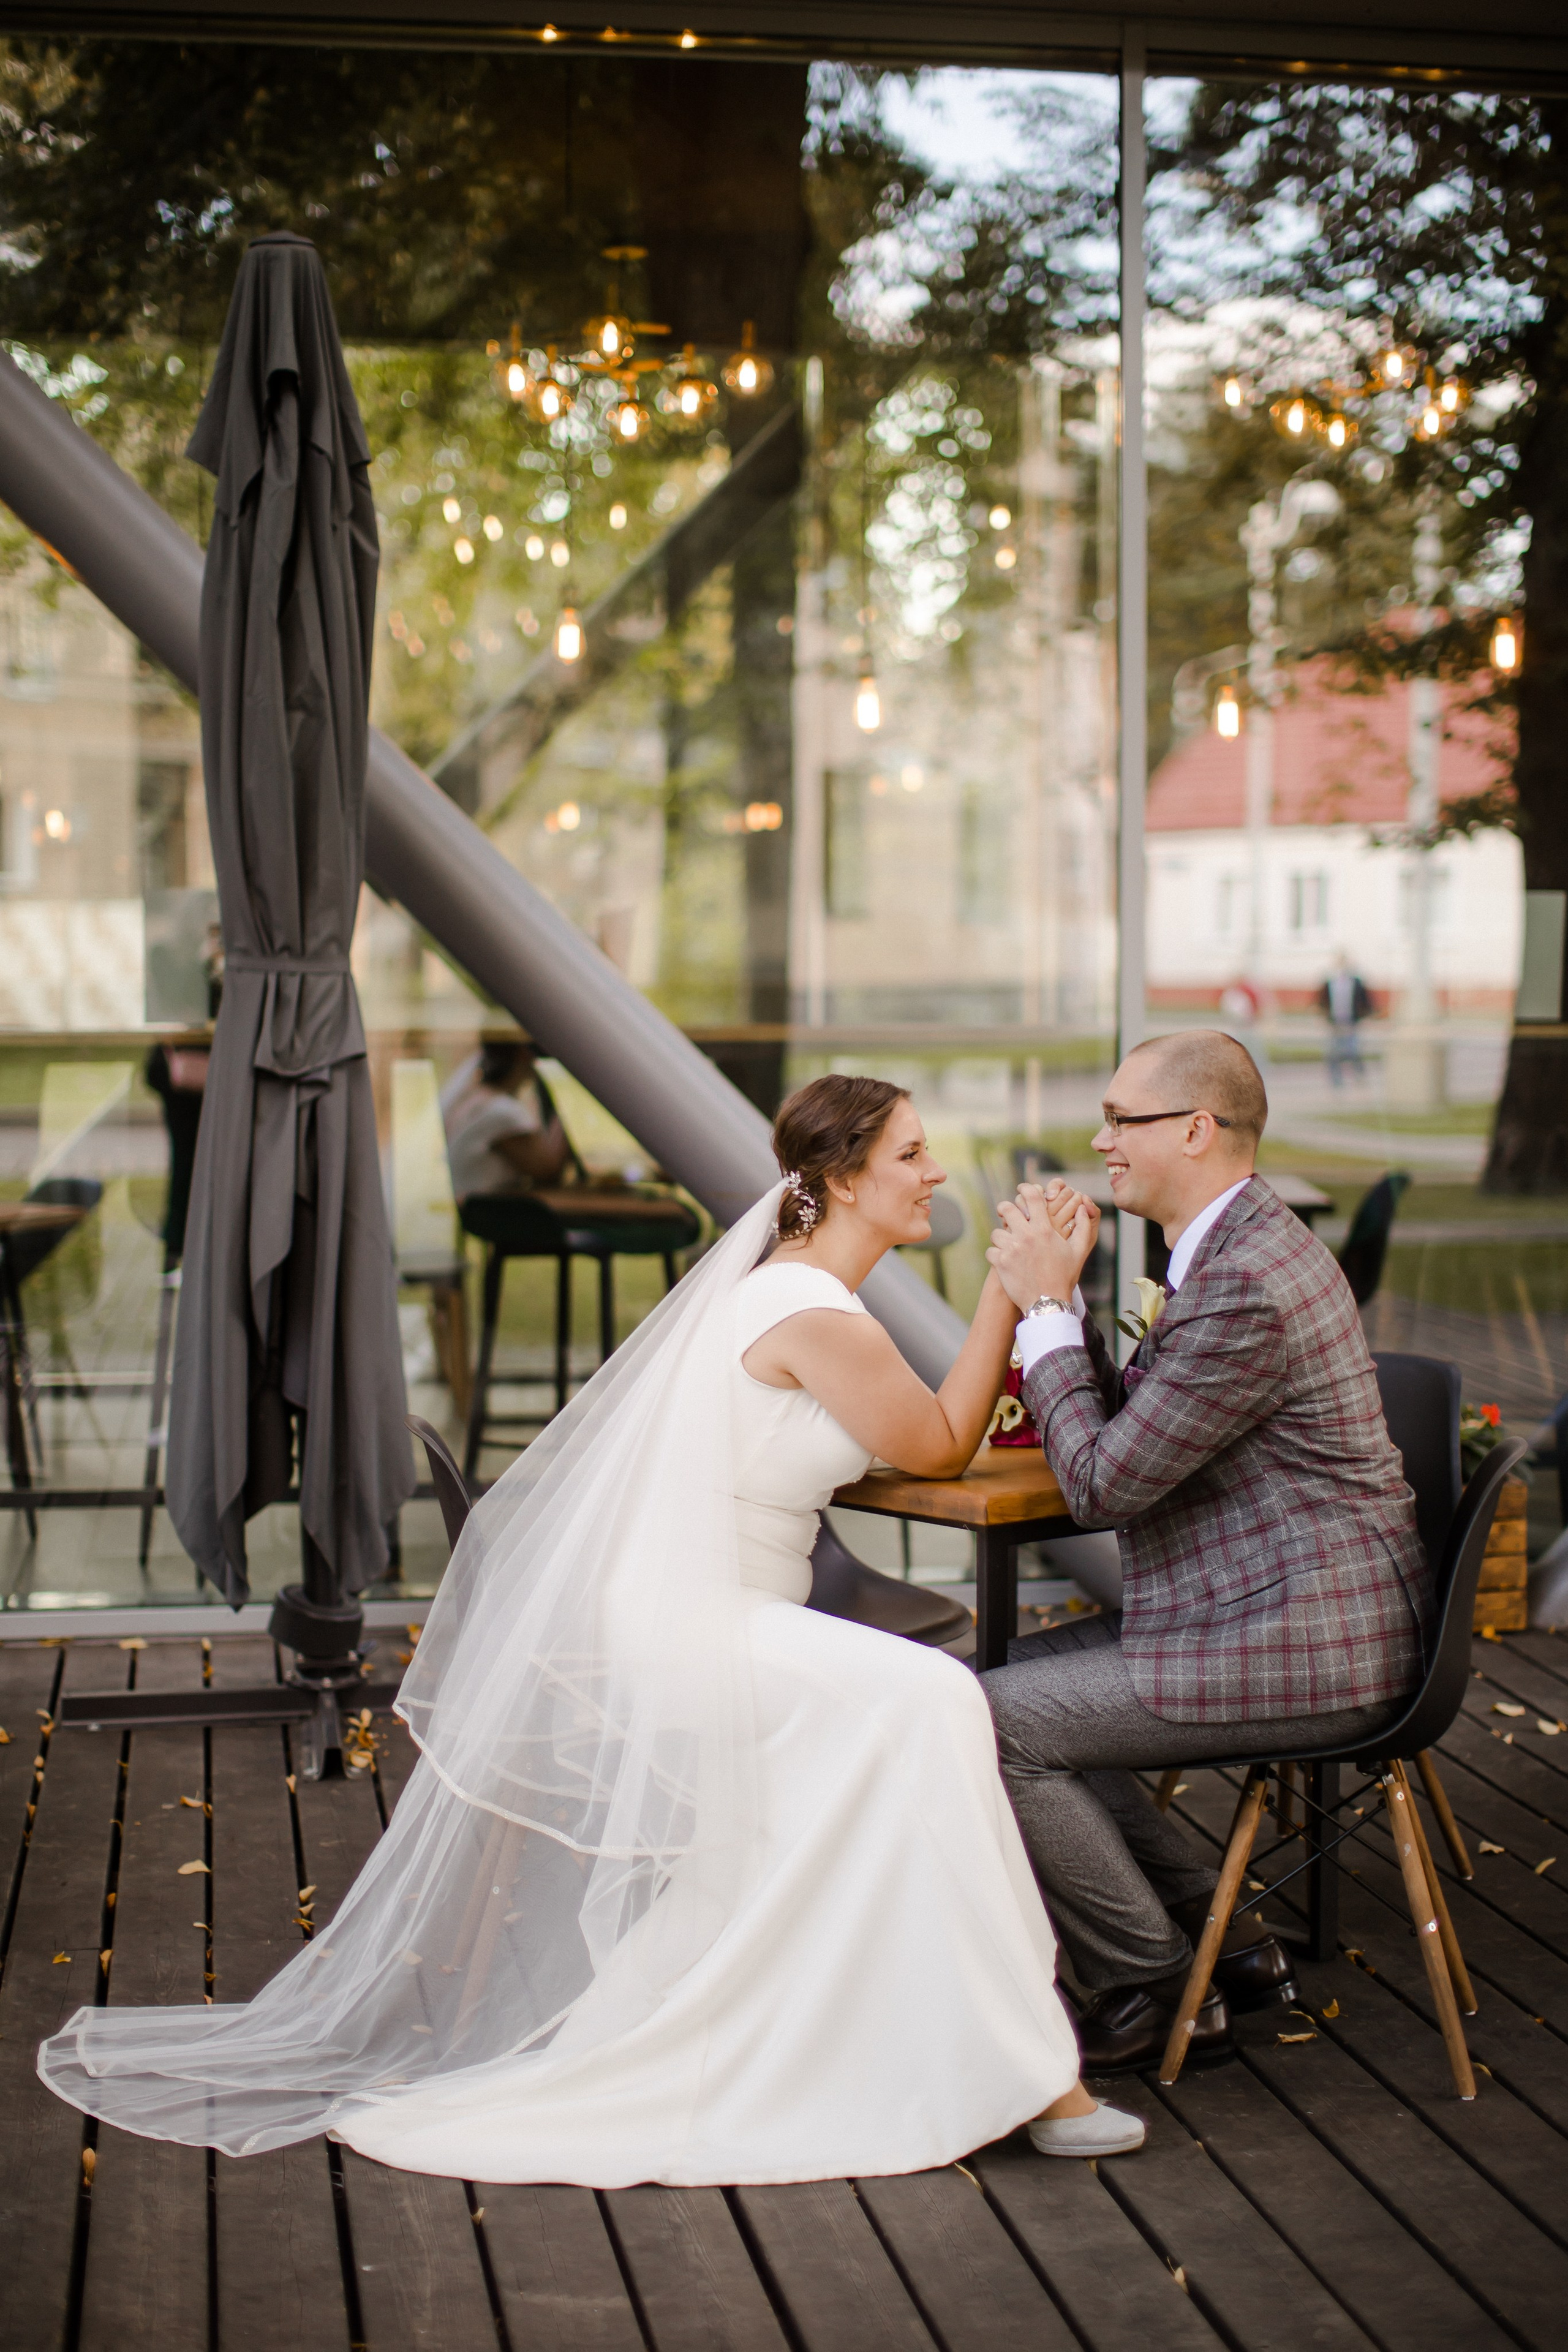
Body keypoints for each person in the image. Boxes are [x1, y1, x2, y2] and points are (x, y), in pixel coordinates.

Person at [39, 1074, 1141, 2180]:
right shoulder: (810, 1311)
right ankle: (1039, 2075)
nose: (935, 1172)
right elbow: (940, 1444)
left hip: (708, 1610)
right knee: (934, 1698)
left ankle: (931, 2044)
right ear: (844, 1181)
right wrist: (1014, 1290)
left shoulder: (791, 1293)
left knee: (898, 1733)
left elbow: (894, 1438)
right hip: (694, 1626)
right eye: (910, 1154)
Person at [981, 1030, 1430, 2075]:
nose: (1102, 1141)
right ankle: (1228, 1952)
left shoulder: (1245, 1283)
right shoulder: (1234, 1249)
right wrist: (1067, 1303)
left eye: (1120, 1120)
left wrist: (1044, 1308)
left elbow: (1102, 1484)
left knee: (992, 1721)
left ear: (1195, 1130)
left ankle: (1149, 1984)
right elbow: (1139, 1434)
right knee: (990, 1688)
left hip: (1308, 1644)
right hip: (1267, 1612)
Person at [442, 1037, 571, 1199]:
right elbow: (548, 1171)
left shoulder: (476, 1099)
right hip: (482, 1210)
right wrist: (570, 1103)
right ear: (524, 1054)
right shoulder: (502, 1112)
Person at [1319, 952, 1372, 1087]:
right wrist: (1326, 1017)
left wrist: (1362, 1016)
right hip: (1335, 1023)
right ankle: (1336, 1081)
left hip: (1351, 1023)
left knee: (1353, 1051)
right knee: (1333, 1053)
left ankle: (1360, 1077)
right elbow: (1323, 1001)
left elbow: (1365, 1001)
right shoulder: (1330, 982)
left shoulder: (1356, 983)